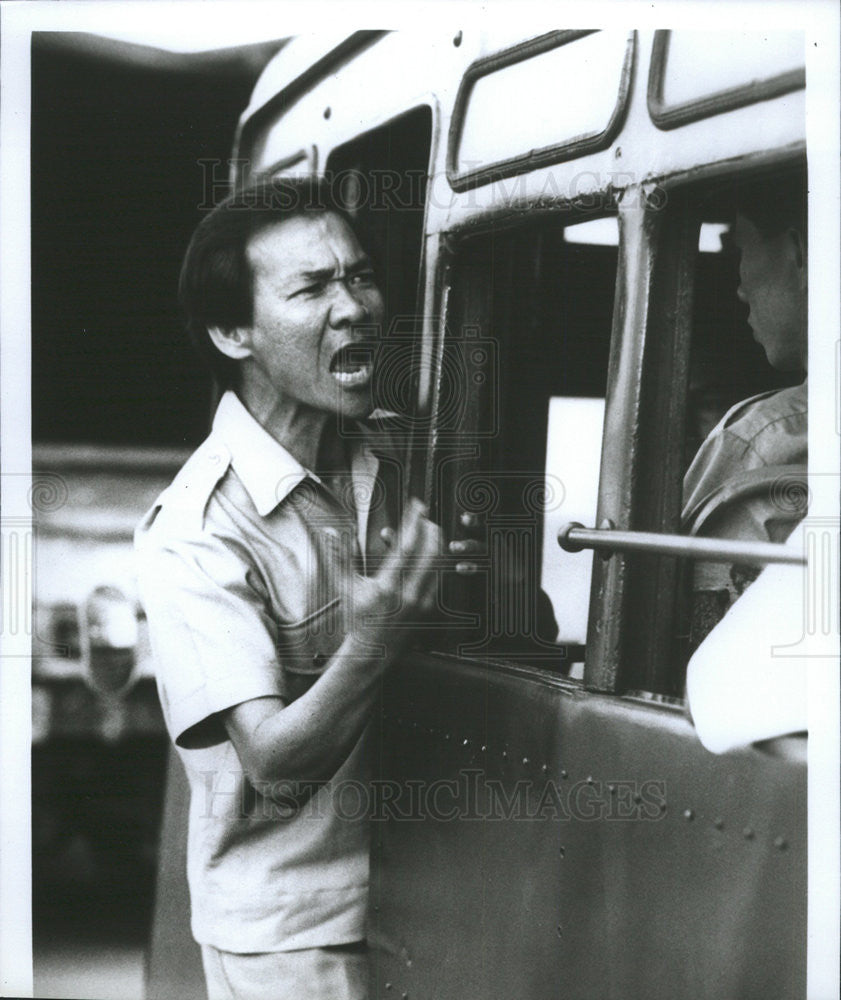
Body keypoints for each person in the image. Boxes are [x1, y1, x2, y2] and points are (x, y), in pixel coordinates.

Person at [134, 176, 444, 1000]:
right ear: (234, 331)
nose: (354, 307)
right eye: (311, 288)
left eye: (360, 276)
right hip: (291, 937)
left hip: (425, 901)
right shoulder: (197, 530)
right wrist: (375, 641)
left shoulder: (394, 458)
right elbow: (271, 762)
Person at [681, 178, 807, 632]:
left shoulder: (762, 441)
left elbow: (700, 660)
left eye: (741, 252)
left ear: (798, 255)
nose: (739, 287)